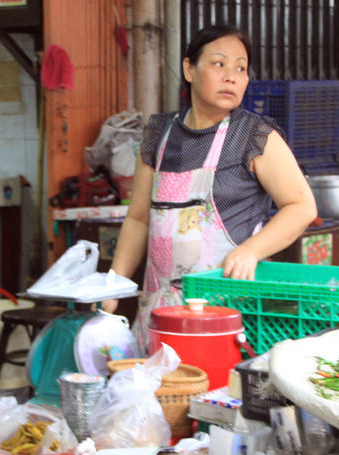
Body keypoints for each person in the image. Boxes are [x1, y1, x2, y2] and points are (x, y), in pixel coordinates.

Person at [102, 24, 317, 346]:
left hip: (226, 309)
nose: (231, 76)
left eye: (240, 68)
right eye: (219, 64)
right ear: (189, 69)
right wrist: (114, 285)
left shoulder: (253, 135)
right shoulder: (159, 133)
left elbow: (301, 207)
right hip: (162, 309)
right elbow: (138, 218)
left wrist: (251, 250)